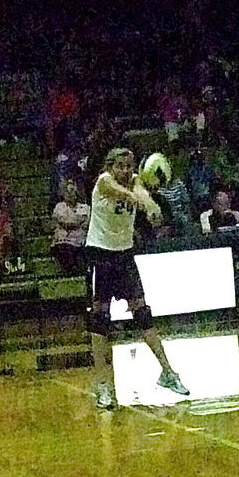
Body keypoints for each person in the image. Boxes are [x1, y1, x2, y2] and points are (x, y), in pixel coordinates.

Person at [85, 147, 189, 409]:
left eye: (129, 165)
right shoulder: (104, 181)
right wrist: (144, 202)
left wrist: (151, 204)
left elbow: (140, 191)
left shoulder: (135, 183)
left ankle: (168, 372)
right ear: (110, 166)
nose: (124, 170)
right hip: (100, 254)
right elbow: (124, 193)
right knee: (100, 320)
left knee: (143, 314)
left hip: (124, 255)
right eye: (119, 165)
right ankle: (102, 386)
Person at [51, 177, 89, 274]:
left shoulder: (85, 208)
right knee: (64, 250)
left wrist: (76, 223)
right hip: (64, 241)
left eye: (72, 190)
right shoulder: (59, 207)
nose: (69, 193)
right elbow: (66, 223)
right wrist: (78, 222)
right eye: (67, 191)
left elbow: (86, 224)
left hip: (80, 241)